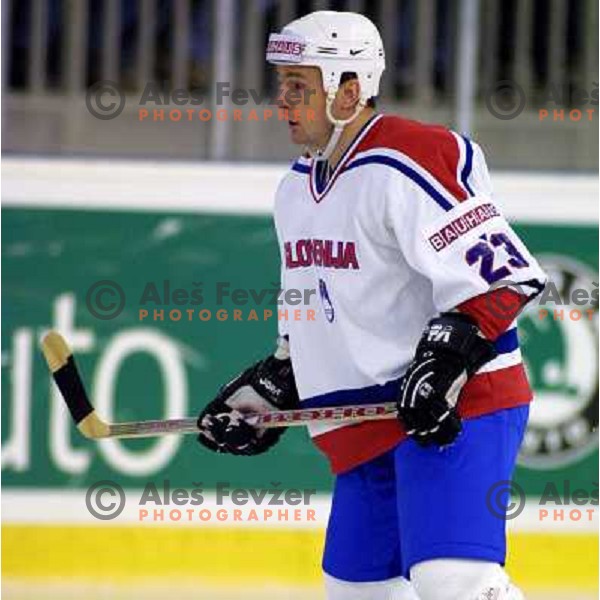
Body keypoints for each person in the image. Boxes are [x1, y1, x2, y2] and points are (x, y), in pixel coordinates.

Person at [196, 11, 546, 600]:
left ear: (350, 90)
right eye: (282, 84)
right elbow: (316, 312)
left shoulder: (411, 157)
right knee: (357, 593)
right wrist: (277, 382)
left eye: (299, 86)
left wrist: (443, 363)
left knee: (454, 583)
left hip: (455, 409)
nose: (282, 100)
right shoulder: (294, 189)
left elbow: (503, 278)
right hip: (367, 422)